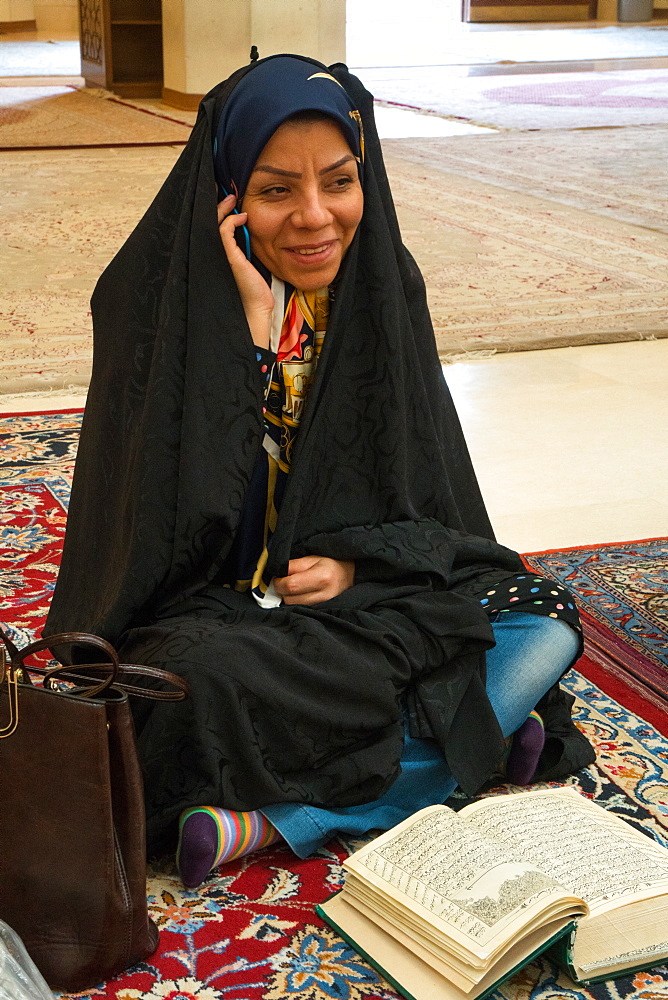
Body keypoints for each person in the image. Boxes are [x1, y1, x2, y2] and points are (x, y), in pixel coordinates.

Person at [45, 54, 594, 889]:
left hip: (362, 604)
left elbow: (430, 491)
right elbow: (169, 538)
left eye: (338, 182)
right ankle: (459, 735)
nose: (315, 218)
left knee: (541, 616)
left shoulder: (381, 288)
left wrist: (359, 565)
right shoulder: (155, 305)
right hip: (229, 618)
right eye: (275, 191)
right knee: (183, 689)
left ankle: (281, 818)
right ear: (227, 195)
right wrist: (255, 347)